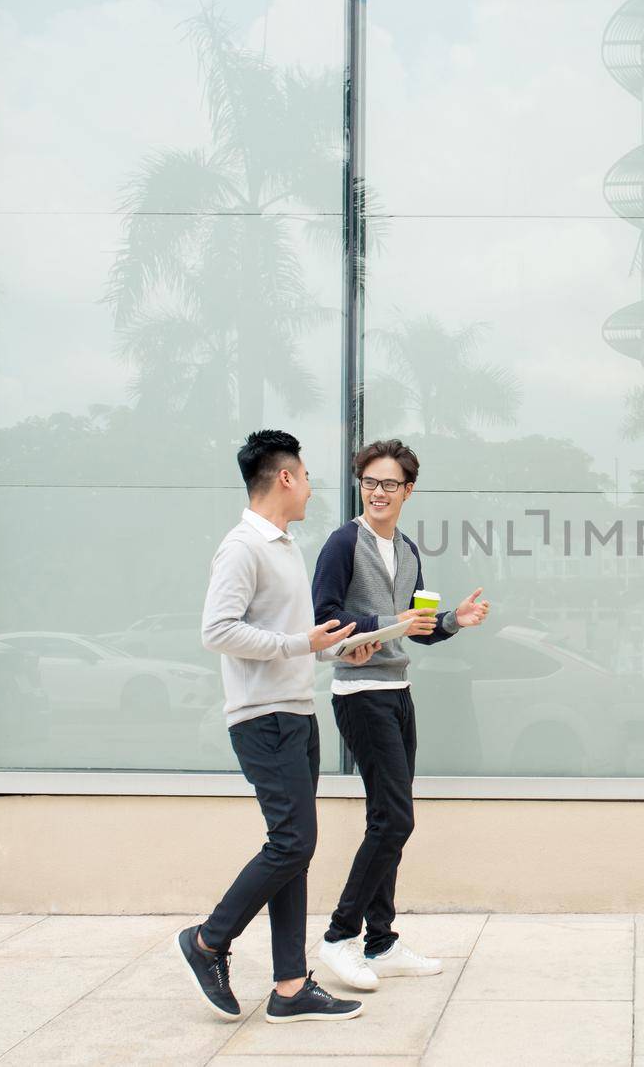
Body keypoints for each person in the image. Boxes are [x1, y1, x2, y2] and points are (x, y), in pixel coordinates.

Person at [174, 429, 375, 1024]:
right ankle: (208, 940)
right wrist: (298, 643)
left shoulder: (285, 546)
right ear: (285, 477)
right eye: (307, 476)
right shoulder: (243, 546)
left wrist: (335, 650)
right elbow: (217, 630)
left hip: (296, 712)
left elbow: (291, 641)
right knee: (293, 843)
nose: (312, 488)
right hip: (264, 719)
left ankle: (290, 986)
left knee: (294, 850)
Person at [310, 438, 490, 991]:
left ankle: (381, 941)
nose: (378, 492)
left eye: (389, 484)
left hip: (399, 692)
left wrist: (452, 619)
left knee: (386, 819)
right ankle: (340, 936)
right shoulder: (343, 543)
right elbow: (326, 617)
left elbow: (417, 626)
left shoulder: (408, 549)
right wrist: (383, 622)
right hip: (360, 694)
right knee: (396, 818)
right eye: (370, 482)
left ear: (408, 490)